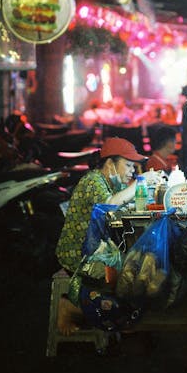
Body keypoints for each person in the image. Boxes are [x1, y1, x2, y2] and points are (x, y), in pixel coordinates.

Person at [55, 136, 145, 335]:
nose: (132, 170)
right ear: (110, 164)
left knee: (137, 277)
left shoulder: (110, 183)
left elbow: (124, 202)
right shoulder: (93, 181)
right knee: (129, 287)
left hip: (98, 250)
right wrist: (136, 186)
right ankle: (71, 308)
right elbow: (110, 204)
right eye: (128, 165)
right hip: (80, 255)